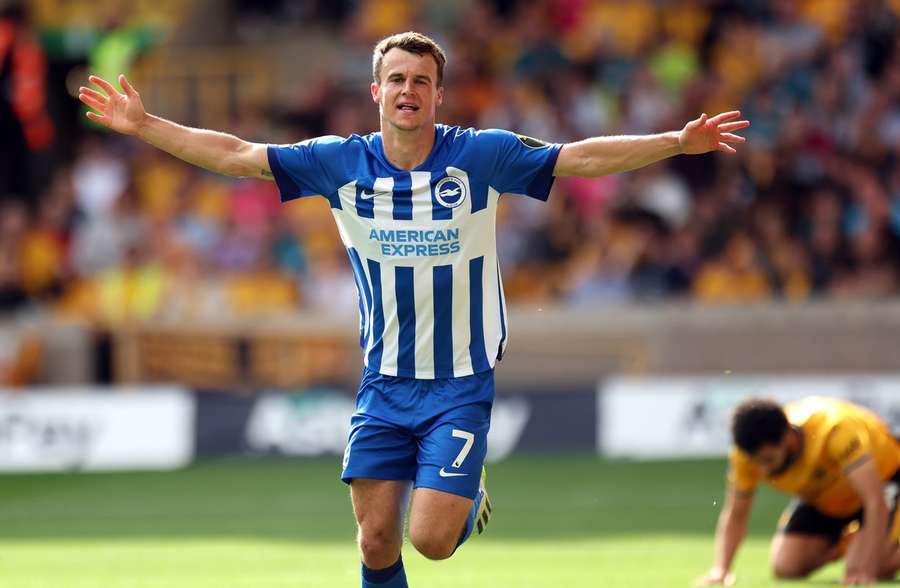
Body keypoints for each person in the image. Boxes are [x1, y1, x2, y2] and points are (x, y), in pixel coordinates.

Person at [78, 31, 749, 588]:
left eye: (421, 81)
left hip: (460, 380)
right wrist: (145, 125)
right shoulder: (341, 162)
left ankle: (464, 496)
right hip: (384, 380)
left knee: (429, 541)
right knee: (374, 542)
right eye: (396, 79)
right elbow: (238, 156)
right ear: (377, 92)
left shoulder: (480, 156)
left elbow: (577, 159)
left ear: (437, 93)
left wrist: (672, 142)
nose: (407, 91)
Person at [696, 396, 900, 586]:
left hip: (884, 481)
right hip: (826, 498)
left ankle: (877, 547)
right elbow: (736, 514)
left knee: (874, 566)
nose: (763, 470)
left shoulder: (834, 429)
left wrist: (867, 569)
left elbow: (874, 500)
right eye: (756, 462)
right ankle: (859, 541)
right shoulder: (746, 456)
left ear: (787, 437)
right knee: (787, 566)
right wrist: (721, 568)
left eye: (768, 460)